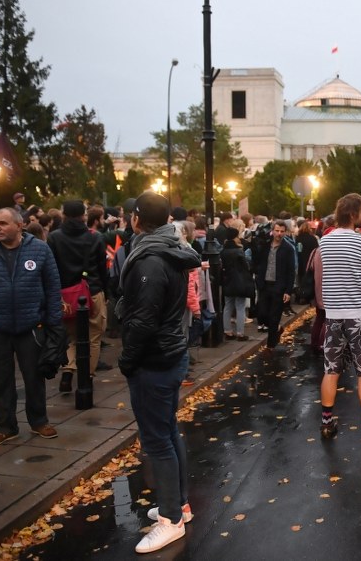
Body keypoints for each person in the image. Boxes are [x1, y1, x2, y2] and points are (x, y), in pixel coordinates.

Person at [118, 191, 200, 553]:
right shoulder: (168, 248)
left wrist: (128, 358)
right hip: (169, 353)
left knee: (157, 439)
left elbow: (144, 320)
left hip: (155, 358)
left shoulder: (151, 258)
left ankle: (171, 519)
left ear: (136, 219)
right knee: (167, 430)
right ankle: (178, 505)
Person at [0, 208, 62, 448]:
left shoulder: (40, 249)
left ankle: (39, 421)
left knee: (34, 377)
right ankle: (5, 426)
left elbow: (52, 287)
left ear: (19, 225)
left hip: (31, 325)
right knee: (0, 380)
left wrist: (51, 323)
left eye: (3, 223)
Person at [318, 193, 361, 444]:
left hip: (335, 315)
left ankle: (327, 423)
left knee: (331, 370)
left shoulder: (324, 242)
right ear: (352, 214)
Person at [47, 201, 109, 390]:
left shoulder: (54, 237)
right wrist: (105, 291)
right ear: (84, 215)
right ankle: (87, 377)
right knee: (94, 336)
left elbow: (51, 269)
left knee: (71, 336)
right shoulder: (96, 237)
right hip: (92, 291)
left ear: (63, 214)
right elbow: (102, 268)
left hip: (65, 295)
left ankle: (68, 370)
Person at [254, 220, 296, 350]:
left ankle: (270, 346)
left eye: (282, 231)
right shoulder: (265, 246)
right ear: (272, 231)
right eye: (277, 231)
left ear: (285, 232)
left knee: (274, 317)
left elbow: (291, 271)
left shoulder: (288, 248)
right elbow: (257, 260)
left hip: (279, 286)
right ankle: (277, 329)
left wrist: (288, 291)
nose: (279, 234)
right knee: (261, 313)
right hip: (264, 285)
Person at [220, 226, 255, 341]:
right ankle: (240, 333)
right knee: (240, 306)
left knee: (228, 306)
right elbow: (245, 267)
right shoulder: (239, 251)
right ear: (235, 237)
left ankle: (228, 331)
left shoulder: (223, 251)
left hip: (228, 281)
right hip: (240, 281)